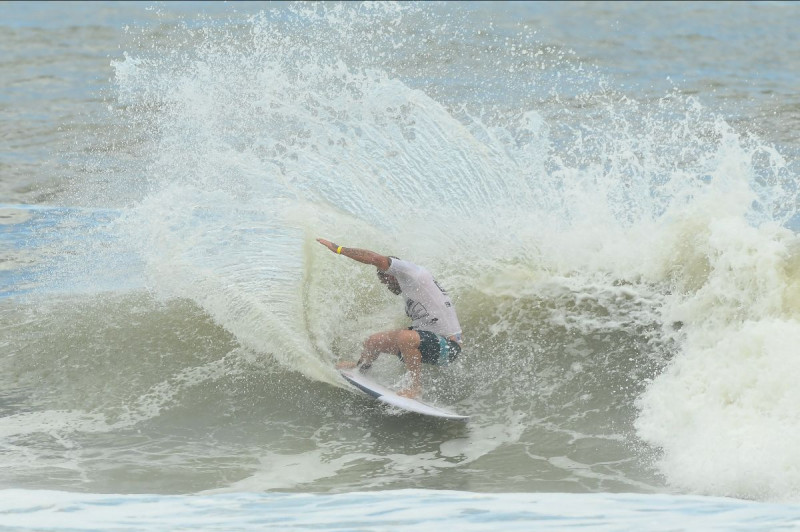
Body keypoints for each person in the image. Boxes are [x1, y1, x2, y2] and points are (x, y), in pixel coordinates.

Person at [317, 238, 463, 398]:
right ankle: (360, 369)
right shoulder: (411, 287)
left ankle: (415, 388)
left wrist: (338, 249)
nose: (388, 287)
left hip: (449, 347)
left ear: (390, 274)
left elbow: (375, 258)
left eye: (386, 282)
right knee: (372, 342)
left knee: (406, 338)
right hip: (428, 341)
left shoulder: (409, 272)